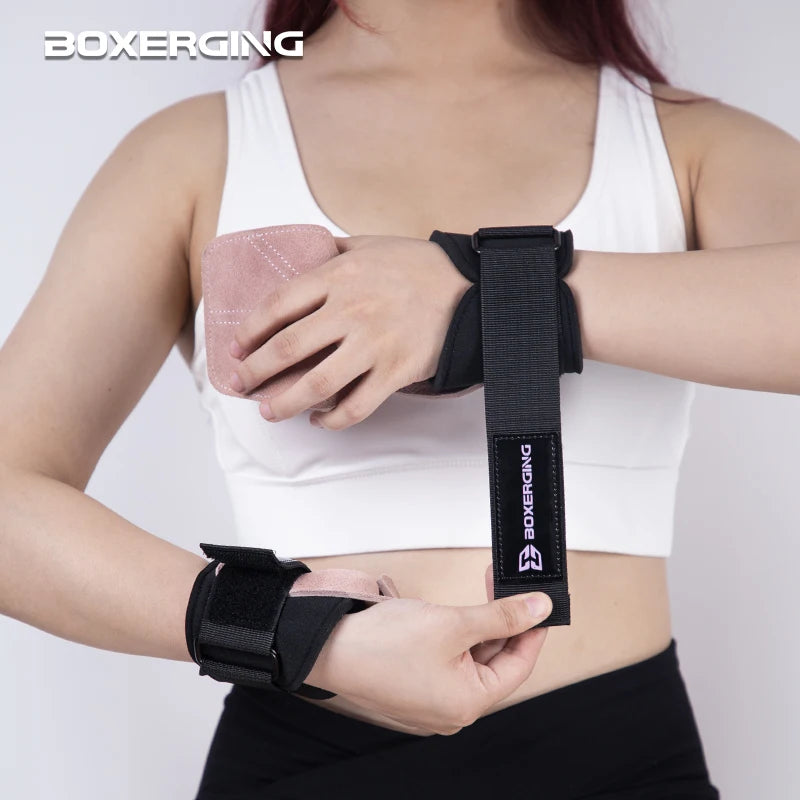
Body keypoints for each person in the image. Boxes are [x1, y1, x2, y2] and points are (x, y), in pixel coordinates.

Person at [1, 0, 798, 797]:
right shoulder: (196, 152)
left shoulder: (681, 141)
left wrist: (490, 293)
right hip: (301, 756)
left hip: (624, 764)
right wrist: (300, 634)